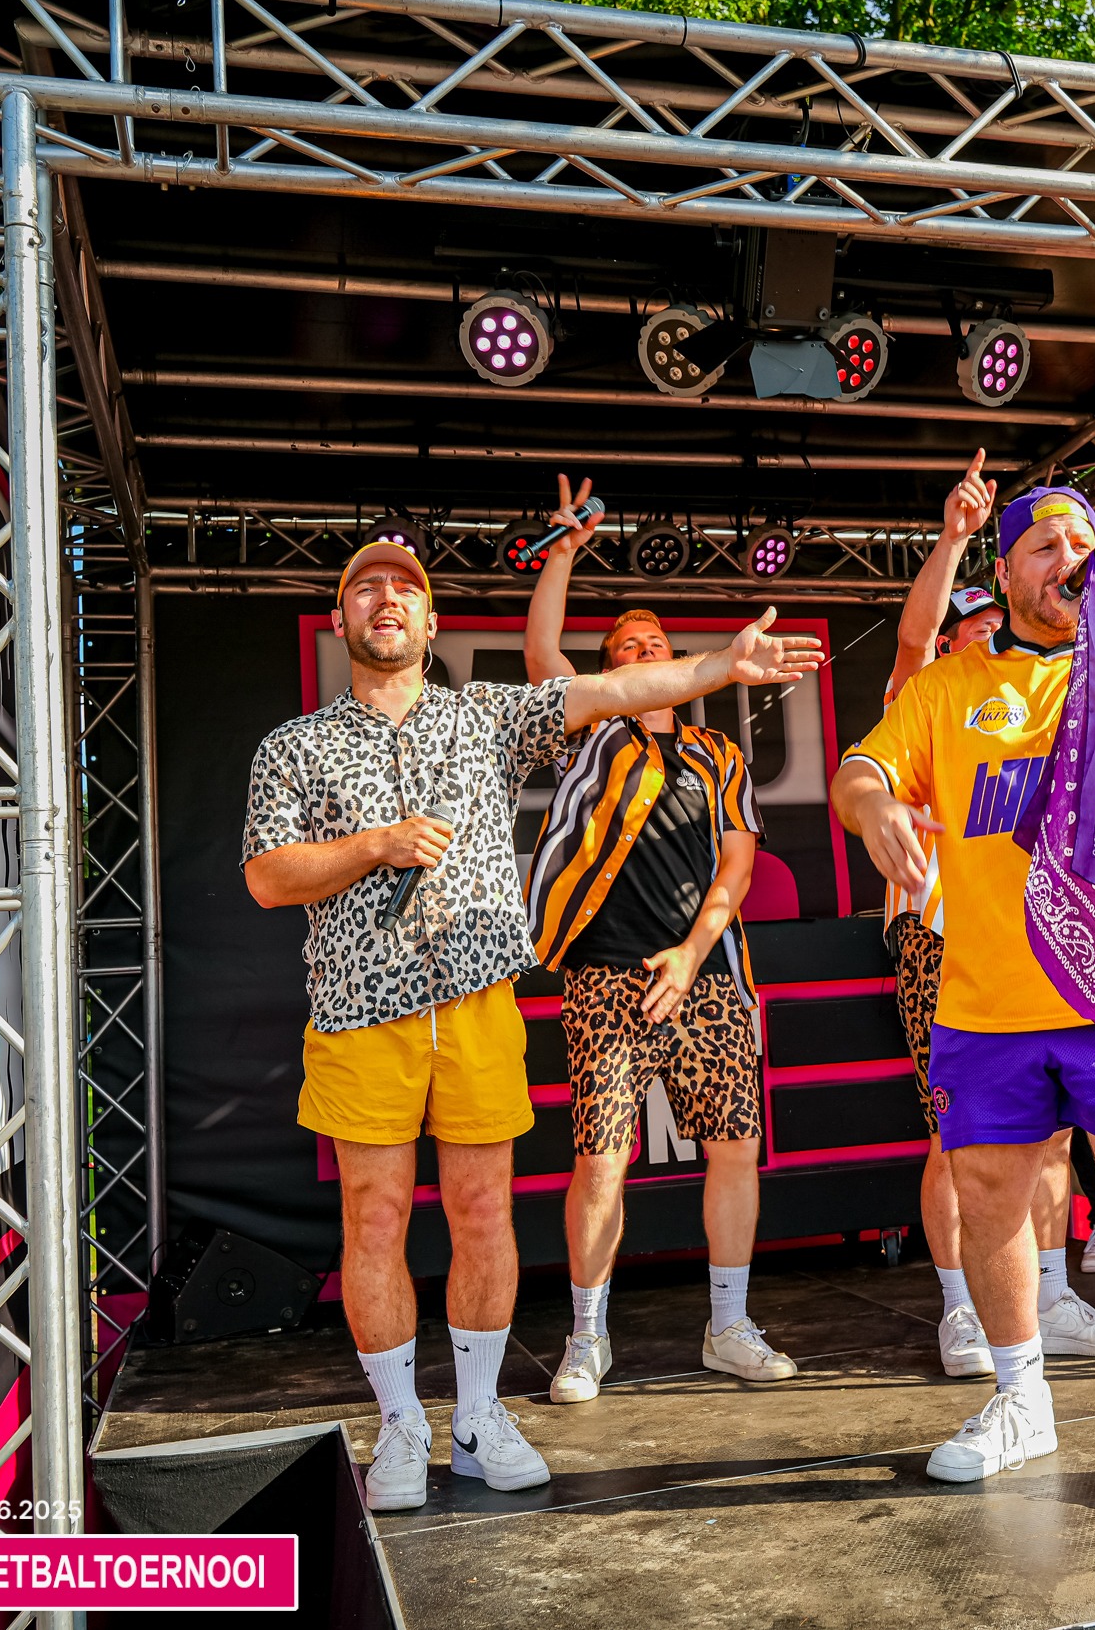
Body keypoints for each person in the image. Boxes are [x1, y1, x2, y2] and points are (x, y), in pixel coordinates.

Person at [242, 521, 822, 1513]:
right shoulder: (293, 746)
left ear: (431, 622)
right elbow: (265, 875)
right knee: (374, 1217)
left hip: (477, 1004)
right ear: (341, 619)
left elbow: (608, 691)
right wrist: (376, 844)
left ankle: (477, 1416)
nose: (387, 598)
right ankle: (400, 1424)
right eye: (367, 587)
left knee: (482, 1210)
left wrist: (719, 666)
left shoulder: (487, 715)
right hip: (357, 1011)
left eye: (405, 588)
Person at [833, 484, 1095, 1518]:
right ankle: (1019, 1398)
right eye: (1046, 546)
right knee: (991, 1194)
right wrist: (874, 807)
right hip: (989, 997)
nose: (1068, 557)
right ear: (1003, 570)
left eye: (1083, 543)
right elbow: (860, 768)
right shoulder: (950, 685)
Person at [521, 478, 802, 1407]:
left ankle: (728, 1325)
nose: (641, 654)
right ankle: (586, 1337)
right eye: (624, 649)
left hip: (707, 976)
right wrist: (564, 550)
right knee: (601, 1158)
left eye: (653, 645)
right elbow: (541, 655)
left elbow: (738, 866)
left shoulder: (719, 757)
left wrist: (691, 953)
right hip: (604, 977)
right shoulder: (592, 729)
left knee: (734, 1148)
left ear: (680, 661)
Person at [887, 454, 1095, 1378]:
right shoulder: (932, 693)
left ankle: (1052, 1291)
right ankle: (963, 1307)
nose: (988, 635)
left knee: (1056, 1131)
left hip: (1043, 932)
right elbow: (913, 639)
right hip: (941, 940)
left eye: (995, 625)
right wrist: (955, 540)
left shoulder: (1052, 683)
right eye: (974, 626)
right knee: (962, 1141)